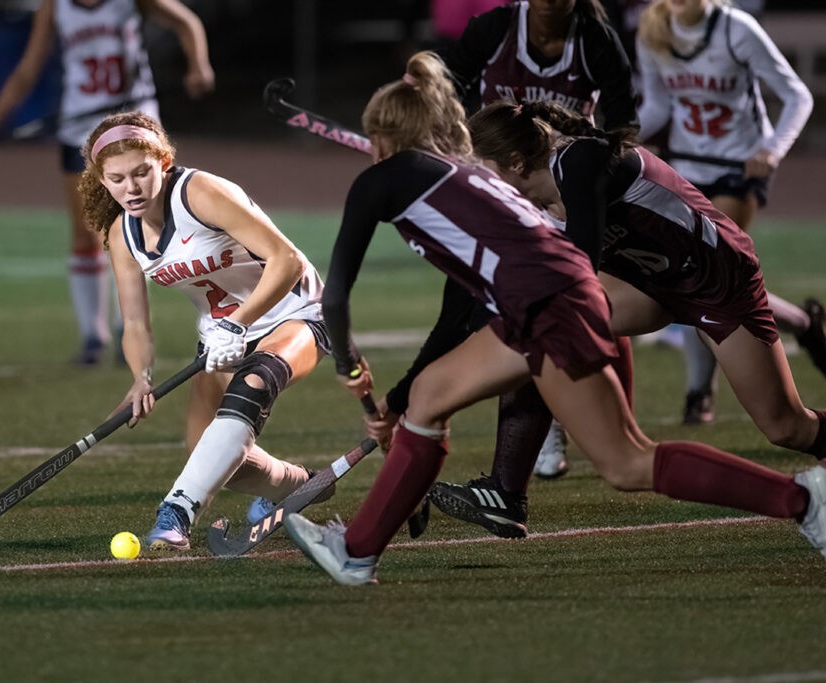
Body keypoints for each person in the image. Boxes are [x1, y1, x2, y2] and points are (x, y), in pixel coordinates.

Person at [281, 52, 826, 586]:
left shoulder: (544, 167)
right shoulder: (472, 184)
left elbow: (351, 298)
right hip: (575, 293)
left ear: (379, 141)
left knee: (629, 460)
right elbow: (461, 307)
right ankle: (365, 547)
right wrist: (397, 401)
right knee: (428, 395)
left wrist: (353, 373)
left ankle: (803, 501)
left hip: (606, 291)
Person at [430, 99, 826, 538]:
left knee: (786, 427)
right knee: (535, 323)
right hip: (645, 282)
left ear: (517, 162)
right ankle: (505, 493)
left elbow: (577, 267)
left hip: (717, 279)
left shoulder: (578, 160)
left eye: (483, 173)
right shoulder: (528, 195)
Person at [80, 112, 332, 550]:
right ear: (102, 180)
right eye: (117, 179)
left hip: (295, 310)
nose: (132, 188)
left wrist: (238, 322)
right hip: (221, 336)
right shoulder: (123, 233)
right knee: (208, 452)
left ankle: (177, 512)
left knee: (253, 386)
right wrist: (141, 379)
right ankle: (295, 487)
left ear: (163, 161)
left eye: (142, 172)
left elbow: (287, 260)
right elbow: (136, 321)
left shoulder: (199, 193)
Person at [423, 0, 639, 478]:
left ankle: (605, 426)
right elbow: (445, 91)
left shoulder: (596, 39)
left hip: (558, 189)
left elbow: (623, 123)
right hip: (499, 188)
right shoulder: (495, 28)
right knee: (486, 308)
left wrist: (585, 184)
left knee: (561, 304)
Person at [0, 0, 214, 366]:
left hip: (134, 124)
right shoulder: (55, 6)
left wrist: (199, 65)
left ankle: (129, 329)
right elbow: (27, 71)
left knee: (138, 230)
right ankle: (92, 337)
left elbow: (187, 22)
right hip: (80, 130)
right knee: (87, 232)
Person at [635, 0, 819, 424]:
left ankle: (699, 392)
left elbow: (797, 96)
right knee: (701, 277)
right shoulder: (653, 29)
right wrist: (614, 140)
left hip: (737, 168)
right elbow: (658, 107)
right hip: (685, 168)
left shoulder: (736, 28)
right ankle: (804, 324)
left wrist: (771, 151)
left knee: (703, 269)